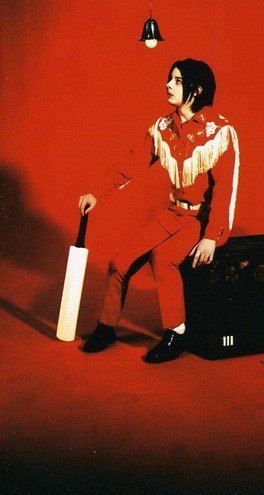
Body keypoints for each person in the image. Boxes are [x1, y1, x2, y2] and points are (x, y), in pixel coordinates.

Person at [78, 58, 240, 363]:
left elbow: (224, 189)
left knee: (163, 259)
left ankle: (176, 333)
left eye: (177, 81)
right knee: (119, 262)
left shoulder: (219, 131)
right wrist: (97, 193)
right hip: (173, 212)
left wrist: (211, 236)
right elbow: (133, 161)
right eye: (170, 79)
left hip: (200, 219)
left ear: (197, 90)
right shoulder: (163, 127)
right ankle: (106, 327)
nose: (168, 85)